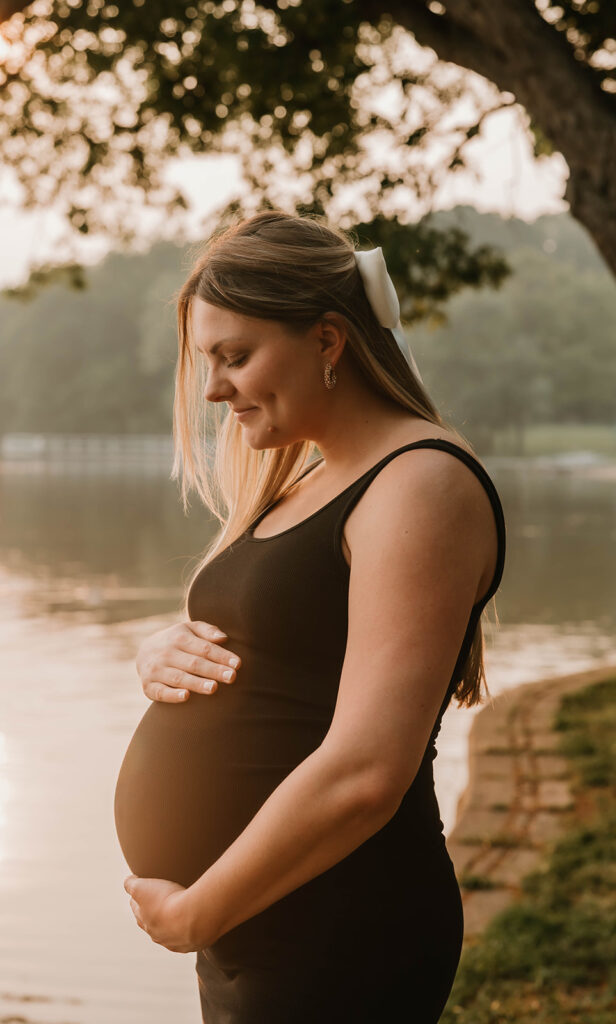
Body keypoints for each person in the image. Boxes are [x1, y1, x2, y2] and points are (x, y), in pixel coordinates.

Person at [114, 209, 506, 1023]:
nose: (215, 389)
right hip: (257, 924)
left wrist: (200, 910)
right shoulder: (309, 482)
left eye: (235, 356)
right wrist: (159, 651)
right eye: (208, 363)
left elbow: (367, 771)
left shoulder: (419, 486)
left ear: (328, 341)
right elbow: (277, 644)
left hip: (337, 929)